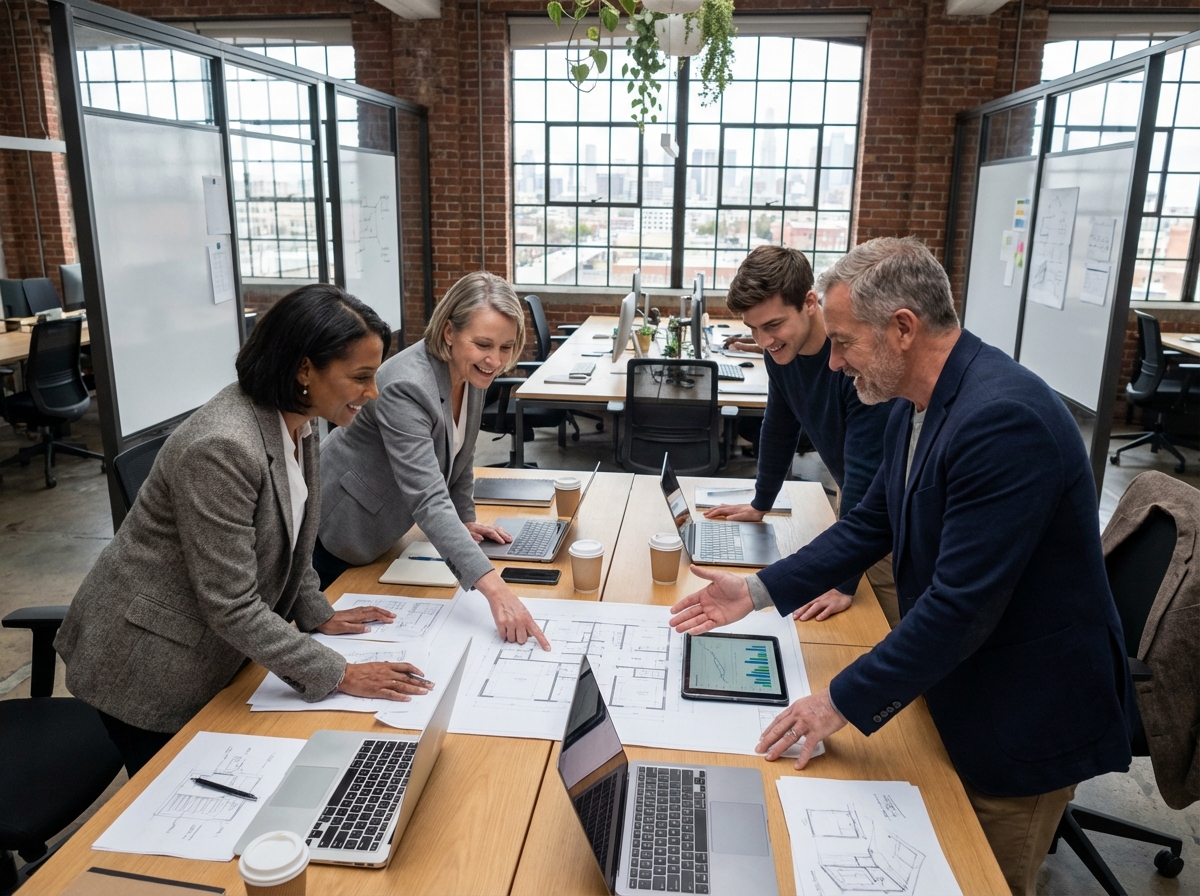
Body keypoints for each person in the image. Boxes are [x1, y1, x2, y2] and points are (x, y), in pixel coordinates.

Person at [670, 237, 1134, 896]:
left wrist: (837, 700)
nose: (831, 363)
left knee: (984, 881)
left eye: (844, 343)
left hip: (1022, 718)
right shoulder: (915, 402)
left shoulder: (1003, 419)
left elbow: (958, 608)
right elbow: (870, 524)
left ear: (903, 329)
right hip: (960, 690)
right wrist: (757, 592)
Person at [55, 285, 432, 776]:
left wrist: (316, 612)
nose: (372, 393)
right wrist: (340, 672)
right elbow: (229, 602)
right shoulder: (222, 445)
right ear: (303, 370)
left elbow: (293, 541)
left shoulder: (299, 418)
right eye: (360, 377)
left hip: (217, 650)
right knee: (186, 813)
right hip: (149, 664)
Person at [315, 271, 550, 650]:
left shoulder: (470, 373)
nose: (495, 360)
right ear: (448, 334)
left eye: (506, 348)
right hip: (338, 528)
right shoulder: (407, 385)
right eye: (484, 344)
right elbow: (427, 498)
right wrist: (496, 591)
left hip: (385, 530)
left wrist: (465, 521)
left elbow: (460, 454)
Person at [705, 246, 899, 626]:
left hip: (889, 506)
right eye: (754, 329)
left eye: (773, 325)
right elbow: (779, 428)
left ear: (810, 302)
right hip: (855, 496)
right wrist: (761, 502)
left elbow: (868, 474)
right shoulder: (780, 354)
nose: (763, 341)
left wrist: (842, 582)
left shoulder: (852, 359)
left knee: (879, 623)